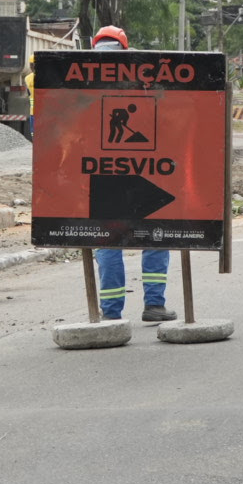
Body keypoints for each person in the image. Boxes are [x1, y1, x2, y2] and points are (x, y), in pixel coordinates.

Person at [87, 25, 176, 323]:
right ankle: (154, 305)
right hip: (145, 174)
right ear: (125, 49)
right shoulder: (143, 79)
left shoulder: (81, 80)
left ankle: (111, 314)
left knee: (109, 241)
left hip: (103, 177)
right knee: (154, 236)